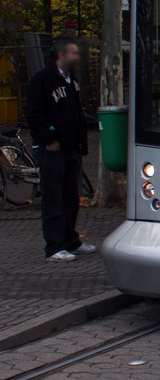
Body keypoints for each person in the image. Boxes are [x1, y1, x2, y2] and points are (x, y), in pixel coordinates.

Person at [25, 37, 95, 262]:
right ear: (61, 56)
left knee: (70, 197)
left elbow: (75, 111)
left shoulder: (70, 81)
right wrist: (48, 140)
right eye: (73, 53)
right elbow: (34, 113)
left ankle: (70, 240)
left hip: (70, 148)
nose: (77, 57)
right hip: (53, 150)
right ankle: (54, 246)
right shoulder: (43, 80)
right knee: (53, 197)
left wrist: (81, 143)